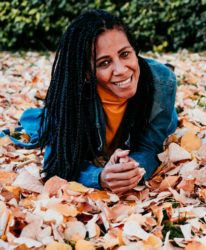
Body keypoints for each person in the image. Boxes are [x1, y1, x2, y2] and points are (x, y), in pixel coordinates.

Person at [23, 9, 178, 194]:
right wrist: (100, 177)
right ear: (87, 73)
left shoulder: (162, 82)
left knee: (170, 124)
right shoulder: (72, 98)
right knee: (42, 124)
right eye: (104, 63)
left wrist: (132, 170)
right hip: (69, 115)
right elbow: (56, 163)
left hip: (159, 116)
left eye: (125, 54)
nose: (121, 69)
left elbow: (150, 146)